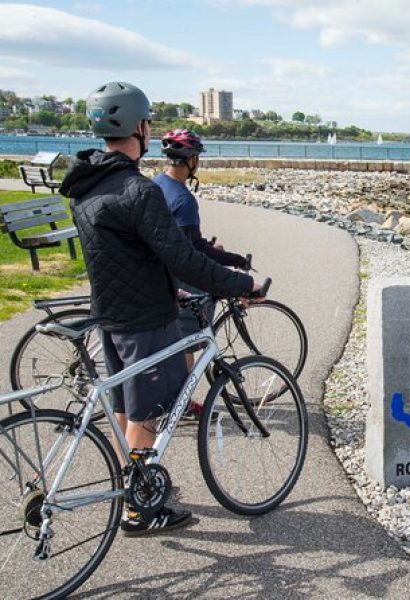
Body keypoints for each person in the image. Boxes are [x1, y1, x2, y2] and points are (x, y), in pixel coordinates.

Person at [60, 81, 262, 536]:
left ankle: (132, 491)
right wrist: (241, 283)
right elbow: (183, 257)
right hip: (145, 321)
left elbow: (132, 254)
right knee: (148, 415)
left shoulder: (87, 188)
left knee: (129, 413)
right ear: (141, 128)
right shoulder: (138, 191)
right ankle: (139, 510)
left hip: (109, 317)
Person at [153, 129, 249, 422]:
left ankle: (172, 395)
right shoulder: (183, 199)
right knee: (190, 337)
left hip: (156, 269)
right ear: (191, 161)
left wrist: (206, 245)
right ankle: (179, 401)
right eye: (197, 158)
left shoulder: (157, 184)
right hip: (176, 275)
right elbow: (192, 251)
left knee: (173, 337)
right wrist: (235, 260)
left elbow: (184, 240)